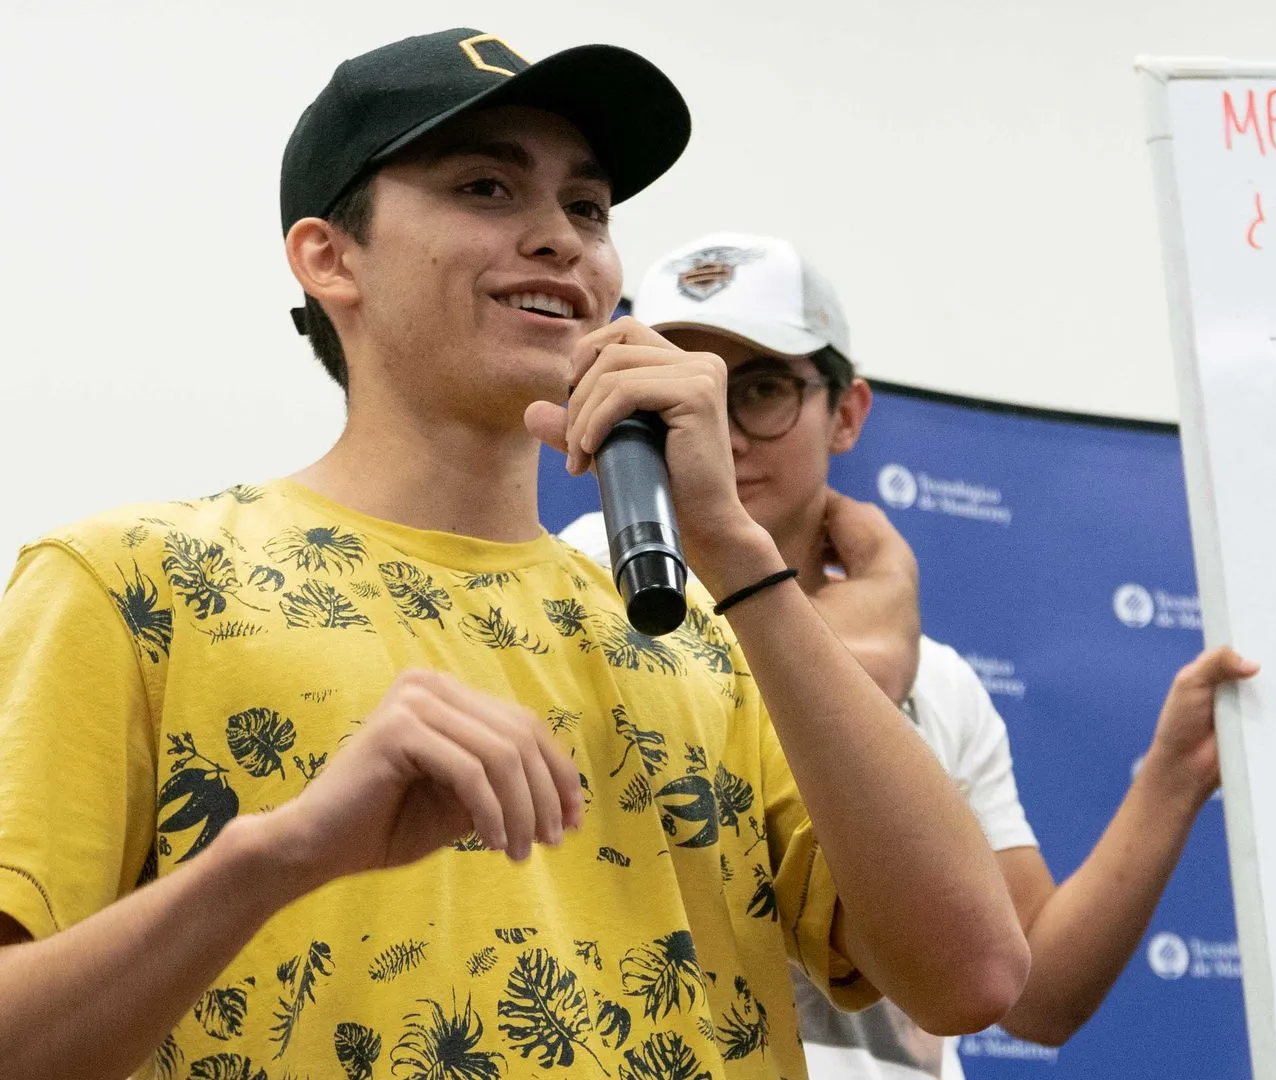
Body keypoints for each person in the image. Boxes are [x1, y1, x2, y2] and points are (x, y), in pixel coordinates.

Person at [0, 33, 1029, 1080]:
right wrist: (279, 855)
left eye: (587, 208)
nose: (560, 240)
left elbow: (974, 974)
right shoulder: (130, 584)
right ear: (328, 256)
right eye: (486, 187)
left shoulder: (706, 631)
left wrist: (734, 549)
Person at [561, 232, 1259, 1080]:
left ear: (847, 413)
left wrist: (1173, 778)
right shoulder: (589, 579)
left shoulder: (944, 680)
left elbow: (1031, 992)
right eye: (682, 381)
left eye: (763, 390)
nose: (720, 425)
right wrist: (862, 653)